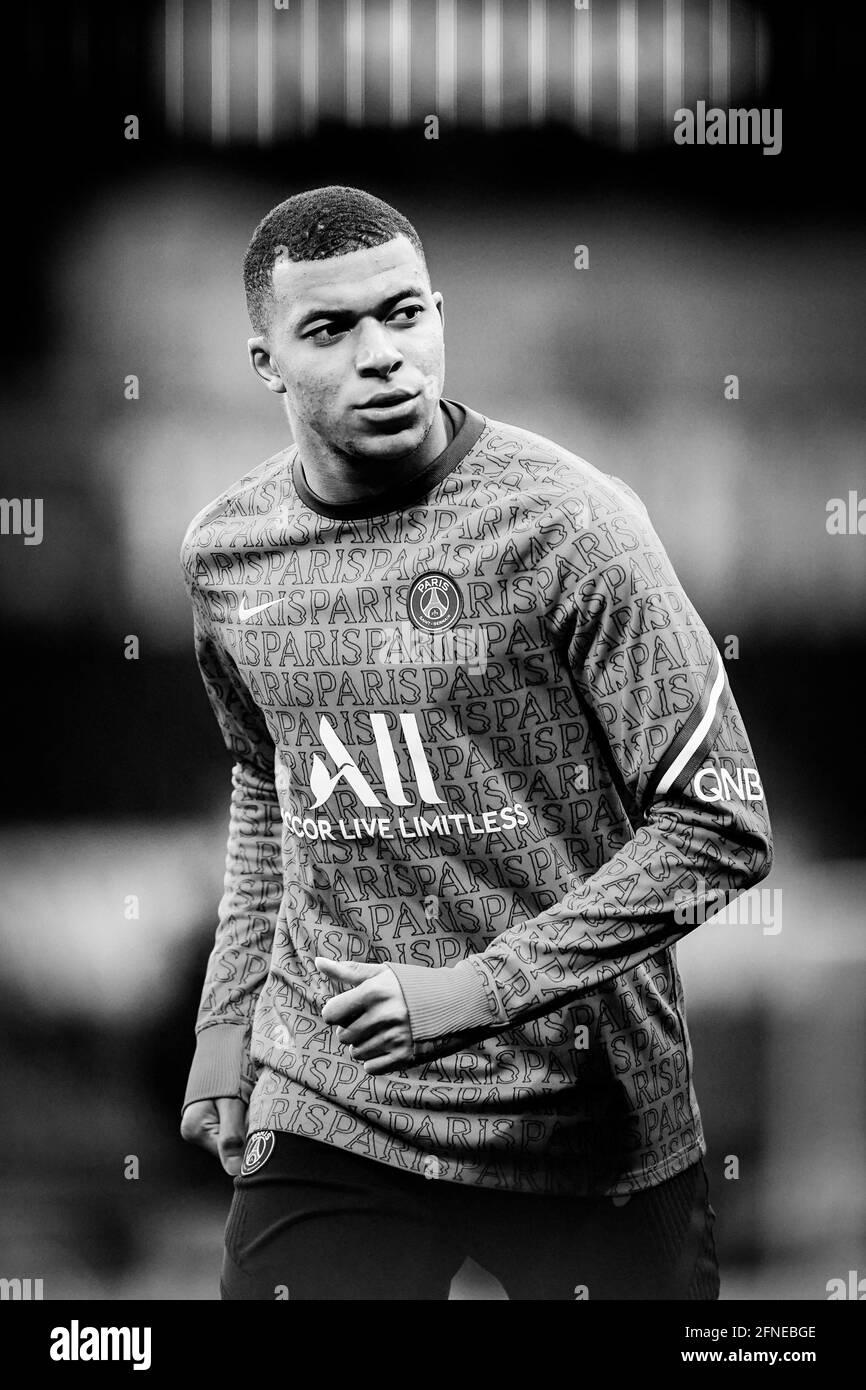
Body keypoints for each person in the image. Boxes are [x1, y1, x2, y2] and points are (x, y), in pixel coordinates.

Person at [179, 185, 773, 1301]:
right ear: (264, 361)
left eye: (404, 314)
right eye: (330, 329)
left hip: (583, 1123)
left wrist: (478, 989)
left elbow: (719, 826)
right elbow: (269, 783)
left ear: (440, 312)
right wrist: (231, 1015)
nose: (384, 356)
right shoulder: (225, 554)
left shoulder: (574, 527)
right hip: (335, 1098)